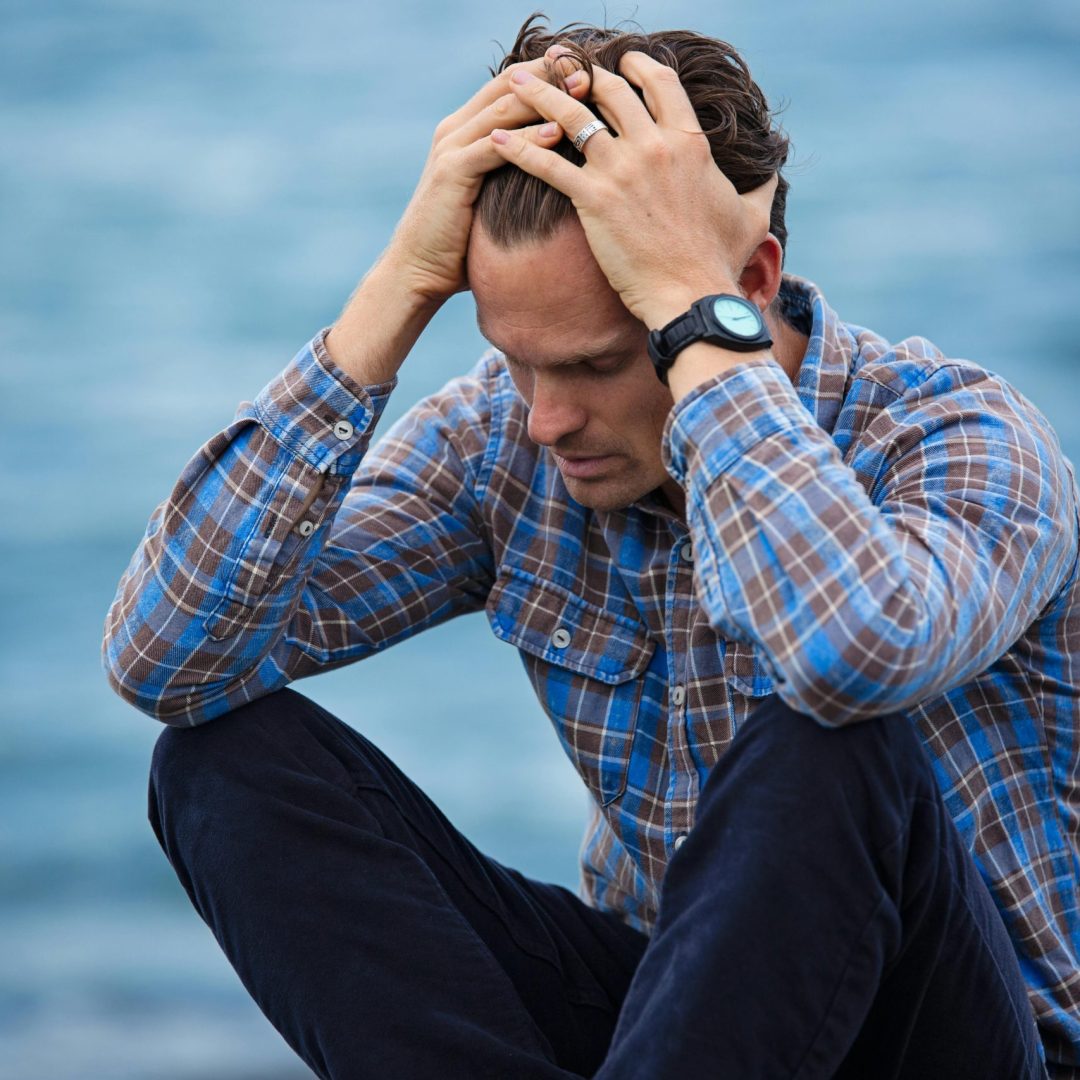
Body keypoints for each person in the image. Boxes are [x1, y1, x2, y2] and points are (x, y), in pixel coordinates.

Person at [103, 15, 1080, 1079]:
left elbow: (850, 653)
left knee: (831, 736)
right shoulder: (505, 444)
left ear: (747, 284)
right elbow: (169, 661)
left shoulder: (961, 437)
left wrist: (691, 318)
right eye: (519, 363)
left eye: (598, 363)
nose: (545, 420)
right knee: (221, 764)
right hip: (673, 1021)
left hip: (962, 1040)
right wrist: (397, 290)